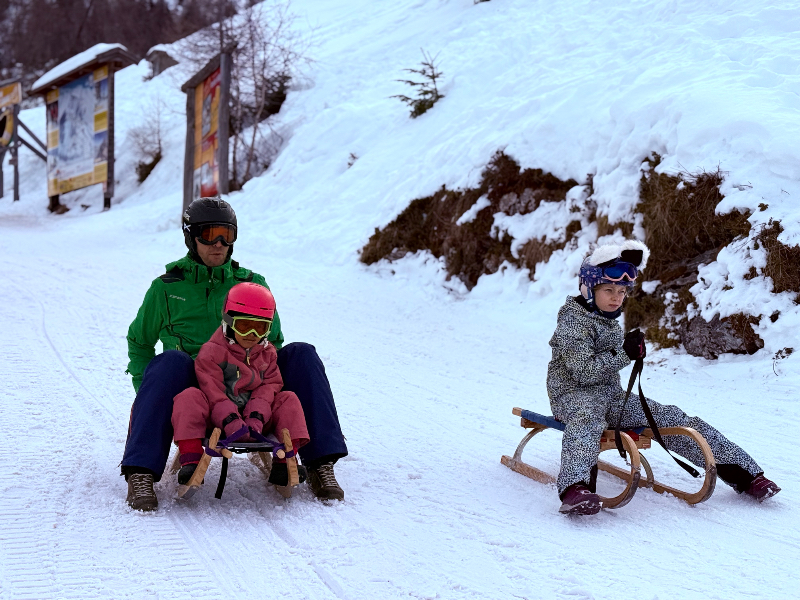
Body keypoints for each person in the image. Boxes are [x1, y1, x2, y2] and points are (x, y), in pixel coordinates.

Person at [123, 197, 347, 511]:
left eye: (226, 235)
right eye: (209, 235)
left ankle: (321, 463)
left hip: (250, 382)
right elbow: (140, 343)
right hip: (194, 387)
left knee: (302, 354)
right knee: (168, 362)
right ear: (191, 237)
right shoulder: (166, 288)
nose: (218, 244)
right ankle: (141, 472)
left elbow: (272, 342)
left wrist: (257, 388)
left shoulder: (252, 284)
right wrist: (149, 394)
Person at [547, 239, 780, 515]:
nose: (616, 297)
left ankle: (747, 476)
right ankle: (575, 488)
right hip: (572, 397)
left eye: (622, 291)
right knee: (588, 418)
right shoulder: (572, 322)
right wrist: (623, 353)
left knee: (670, 417)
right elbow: (583, 372)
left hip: (611, 398)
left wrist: (633, 350)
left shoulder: (607, 319)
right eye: (609, 290)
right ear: (588, 289)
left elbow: (609, 362)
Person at [172, 282, 309, 489]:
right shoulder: (212, 352)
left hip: (258, 421)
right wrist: (231, 420)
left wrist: (256, 417)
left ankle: (285, 461)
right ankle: (191, 459)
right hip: (217, 421)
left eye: (260, 327)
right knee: (189, 397)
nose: (252, 333)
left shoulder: (268, 353)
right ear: (228, 322)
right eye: (244, 325)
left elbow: (269, 386)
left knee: (288, 399)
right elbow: (213, 392)